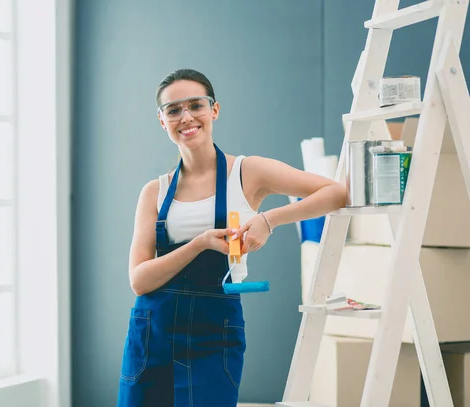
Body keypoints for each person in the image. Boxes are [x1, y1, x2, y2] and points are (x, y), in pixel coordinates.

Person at [117, 68, 347, 407]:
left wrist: (269, 220)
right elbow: (139, 280)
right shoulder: (154, 192)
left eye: (196, 105)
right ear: (162, 121)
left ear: (214, 110)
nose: (186, 117)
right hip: (153, 334)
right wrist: (199, 243)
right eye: (173, 110)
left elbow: (336, 193)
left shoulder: (247, 172)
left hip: (214, 332)